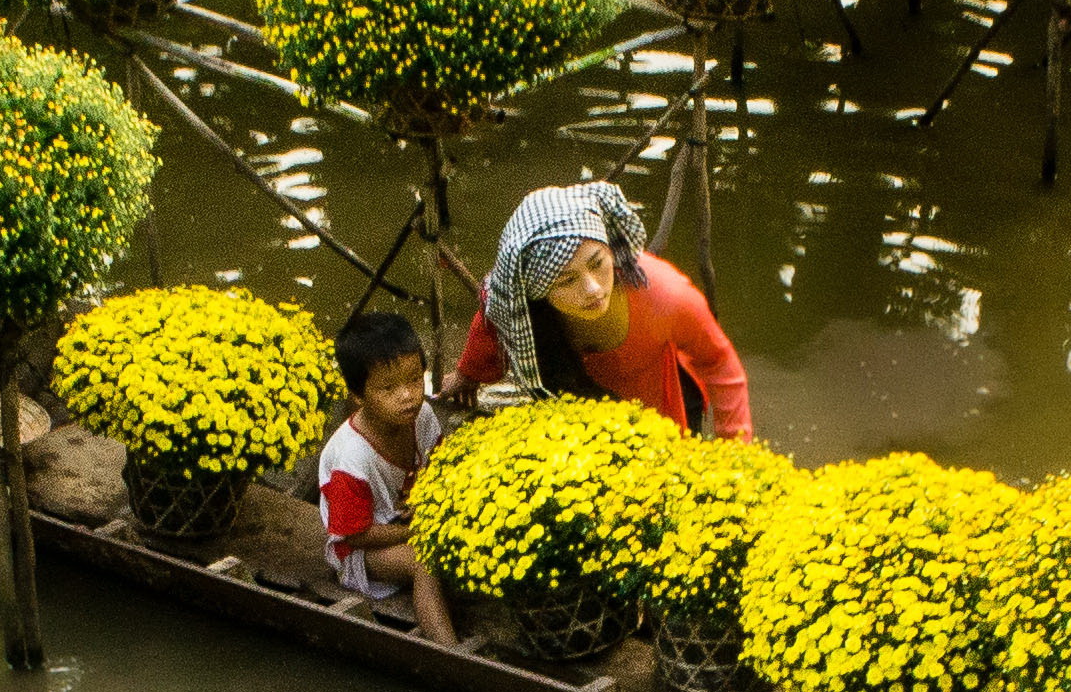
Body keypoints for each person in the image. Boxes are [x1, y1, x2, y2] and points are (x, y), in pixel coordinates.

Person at [435, 181, 753, 438]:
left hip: (657, 395)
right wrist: (468, 374)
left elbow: (720, 364)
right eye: (567, 280)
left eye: (597, 263)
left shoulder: (666, 295)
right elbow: (494, 316)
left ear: (610, 250)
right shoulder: (521, 306)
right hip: (579, 396)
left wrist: (734, 457)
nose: (593, 289)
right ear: (537, 292)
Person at [315, 309, 456, 645]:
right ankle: (451, 650)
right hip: (361, 551)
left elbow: (436, 470)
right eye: (388, 387)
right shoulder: (351, 458)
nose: (407, 395)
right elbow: (356, 534)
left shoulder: (421, 416)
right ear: (359, 396)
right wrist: (413, 531)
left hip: (406, 518)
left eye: (413, 379)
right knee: (424, 561)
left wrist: (428, 505)